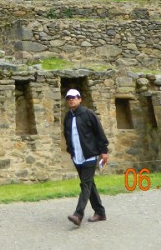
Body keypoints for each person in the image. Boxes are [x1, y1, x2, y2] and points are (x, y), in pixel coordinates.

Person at [62, 88, 109, 226]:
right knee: (89, 184)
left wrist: (104, 151)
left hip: (90, 155)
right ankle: (100, 212)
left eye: (74, 97)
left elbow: (100, 132)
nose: (71, 99)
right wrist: (70, 150)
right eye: (68, 97)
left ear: (80, 99)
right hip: (77, 156)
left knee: (85, 184)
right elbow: (67, 135)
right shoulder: (68, 117)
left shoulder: (88, 114)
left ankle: (78, 214)